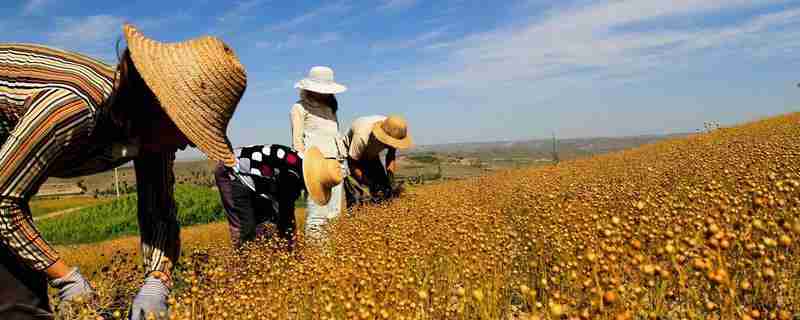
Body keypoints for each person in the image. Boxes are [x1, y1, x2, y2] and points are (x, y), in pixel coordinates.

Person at [0, 24, 246, 320]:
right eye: (187, 129)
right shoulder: (72, 107)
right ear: (159, 106)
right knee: (18, 301)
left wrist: (157, 282)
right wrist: (66, 278)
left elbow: (159, 211)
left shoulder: (152, 133)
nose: (187, 143)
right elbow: (3, 201)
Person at [214, 145, 343, 248]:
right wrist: (291, 247)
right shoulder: (292, 174)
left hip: (256, 178)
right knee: (245, 228)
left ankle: (261, 259)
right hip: (231, 169)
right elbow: (286, 212)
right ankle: (241, 266)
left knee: (266, 224)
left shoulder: (299, 164)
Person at [290, 66, 348, 240]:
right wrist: (305, 168)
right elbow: (297, 142)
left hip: (335, 166)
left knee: (335, 215)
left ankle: (330, 257)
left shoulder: (330, 108)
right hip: (314, 166)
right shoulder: (299, 108)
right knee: (317, 216)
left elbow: (335, 136)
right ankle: (316, 259)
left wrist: (342, 162)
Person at [344, 115, 412, 207]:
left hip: (372, 155)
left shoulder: (394, 130)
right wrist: (368, 183)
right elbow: (352, 163)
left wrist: (391, 180)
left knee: (385, 190)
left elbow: (390, 156)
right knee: (357, 196)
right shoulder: (362, 135)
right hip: (352, 156)